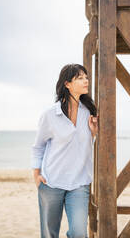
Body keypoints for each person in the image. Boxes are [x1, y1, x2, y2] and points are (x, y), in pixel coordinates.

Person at [31, 63, 99, 238]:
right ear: (67, 84)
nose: (86, 81)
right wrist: (36, 175)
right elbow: (38, 146)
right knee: (49, 233)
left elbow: (86, 144)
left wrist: (94, 133)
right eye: (80, 78)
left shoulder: (89, 113)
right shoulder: (50, 115)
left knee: (79, 233)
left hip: (79, 183)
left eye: (86, 77)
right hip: (51, 182)